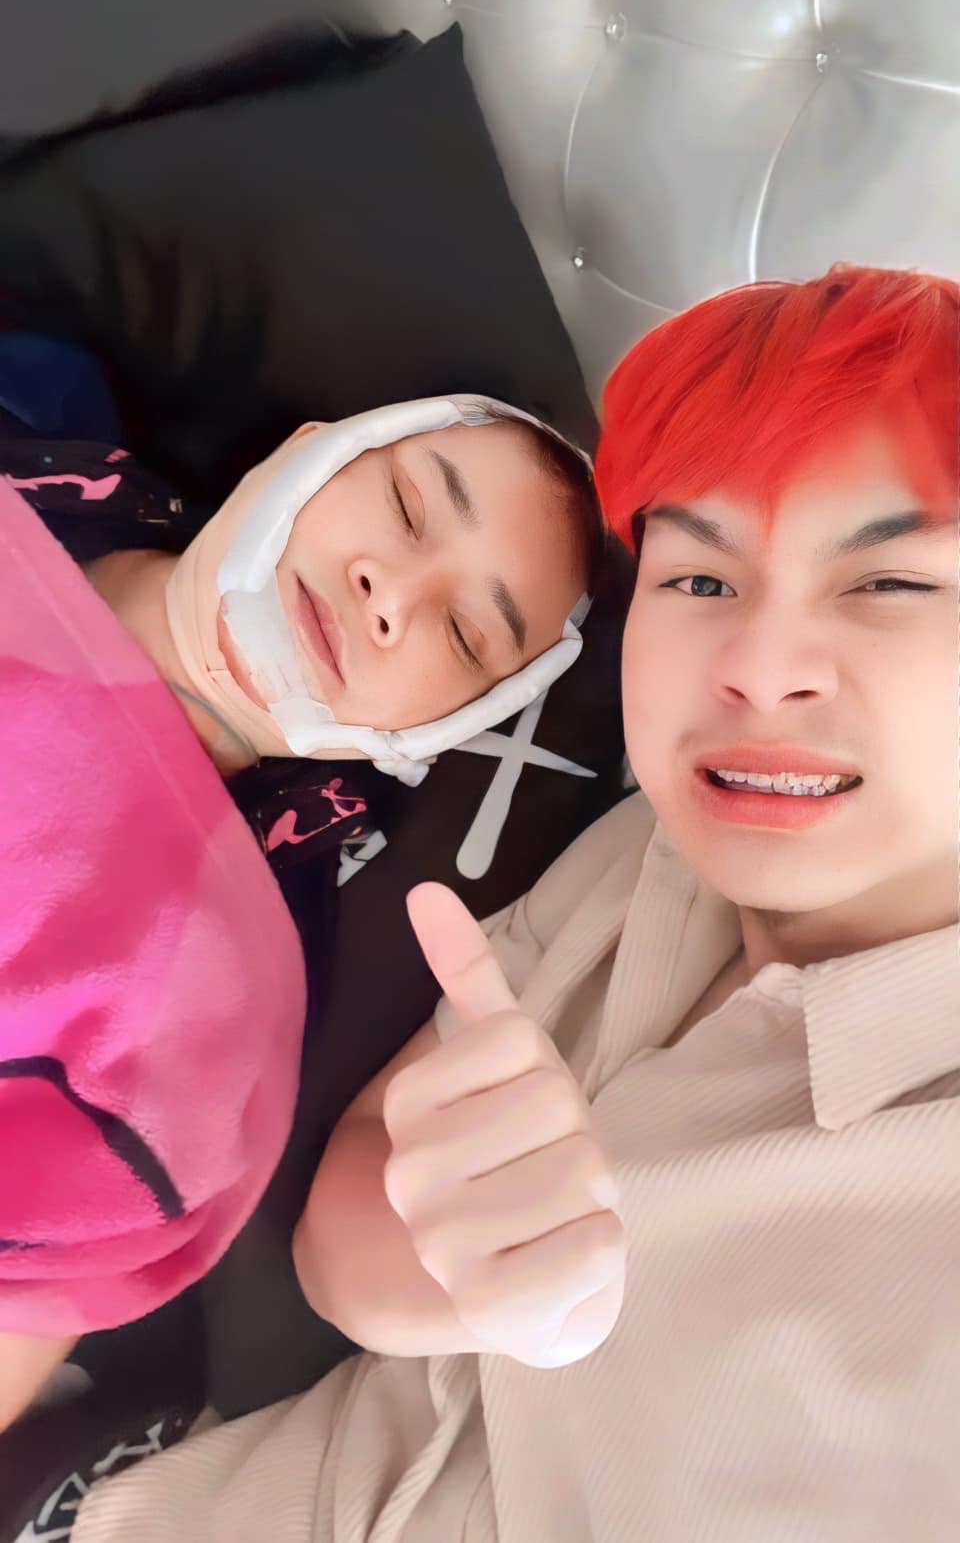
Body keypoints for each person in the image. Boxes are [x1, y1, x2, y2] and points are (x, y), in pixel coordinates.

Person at [69, 262, 959, 1543]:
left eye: (889, 584)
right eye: (701, 579)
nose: (759, 672)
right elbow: (346, 1234)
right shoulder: (651, 852)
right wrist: (467, 1278)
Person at [0, 377, 603, 1437]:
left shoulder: (209, 1004)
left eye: (465, 636)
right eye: (408, 505)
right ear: (306, 448)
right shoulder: (41, 425)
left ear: (437, 733)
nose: (391, 595)